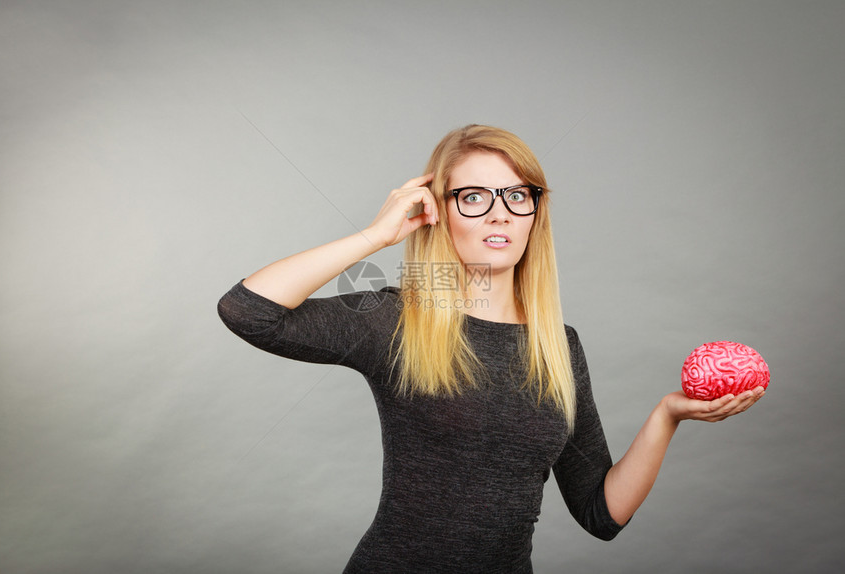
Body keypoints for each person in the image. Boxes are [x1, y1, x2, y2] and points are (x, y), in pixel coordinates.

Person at [217, 124, 764, 573]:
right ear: (439, 212)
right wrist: (377, 237)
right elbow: (247, 311)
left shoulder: (558, 346)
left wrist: (668, 415)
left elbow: (601, 513)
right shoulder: (398, 319)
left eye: (516, 195)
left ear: (533, 213)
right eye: (473, 197)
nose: (499, 212)